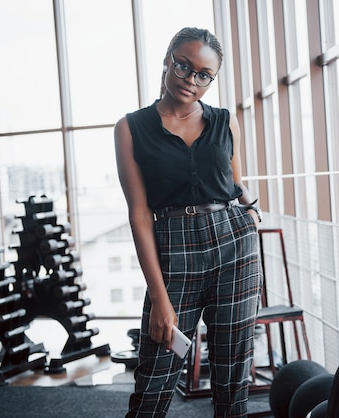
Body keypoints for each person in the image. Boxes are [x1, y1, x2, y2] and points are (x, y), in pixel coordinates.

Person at [114, 27, 263, 417]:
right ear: (167, 60)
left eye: (203, 75)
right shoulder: (130, 128)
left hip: (234, 246)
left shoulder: (225, 121)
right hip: (173, 249)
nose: (190, 80)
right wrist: (159, 298)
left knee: (233, 378)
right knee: (154, 380)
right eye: (183, 66)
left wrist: (252, 214)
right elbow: (139, 214)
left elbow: (234, 183)